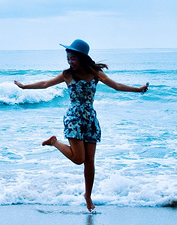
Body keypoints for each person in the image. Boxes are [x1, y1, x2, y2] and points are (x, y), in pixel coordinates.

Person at [14, 39, 149, 212]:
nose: (70, 62)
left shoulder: (96, 74)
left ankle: (88, 195)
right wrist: (25, 87)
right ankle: (54, 142)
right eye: (68, 58)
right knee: (79, 159)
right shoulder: (67, 75)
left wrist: (138, 89)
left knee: (90, 161)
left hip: (90, 119)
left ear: (82, 57)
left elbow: (116, 86)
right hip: (74, 118)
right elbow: (45, 84)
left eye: (73, 59)